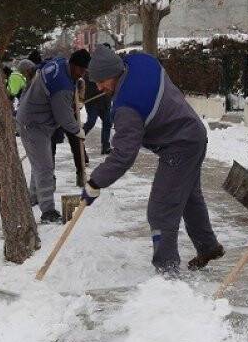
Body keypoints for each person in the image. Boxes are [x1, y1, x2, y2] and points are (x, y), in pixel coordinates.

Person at [81, 45, 223, 276]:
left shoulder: (126, 107)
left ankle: (167, 270)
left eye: (102, 81)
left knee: (160, 209)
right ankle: (208, 247)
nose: (99, 87)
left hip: (180, 145)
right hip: (193, 132)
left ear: (114, 72)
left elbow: (123, 155)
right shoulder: (141, 61)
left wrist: (95, 182)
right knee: (188, 196)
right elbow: (128, 58)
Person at [16, 52, 87, 224]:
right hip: (34, 124)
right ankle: (48, 211)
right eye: (80, 70)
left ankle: (33, 198)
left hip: (32, 119)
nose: (82, 74)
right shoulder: (62, 85)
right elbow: (63, 116)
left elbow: (39, 68)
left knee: (38, 164)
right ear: (73, 65)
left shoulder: (59, 63)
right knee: (45, 167)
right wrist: (77, 129)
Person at [82, 70, 113, 155]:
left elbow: (112, 86)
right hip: (93, 103)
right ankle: (78, 139)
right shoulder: (89, 75)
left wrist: (109, 91)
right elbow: (87, 90)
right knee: (91, 121)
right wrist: (101, 89)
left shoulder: (108, 73)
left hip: (105, 102)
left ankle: (106, 147)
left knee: (107, 122)